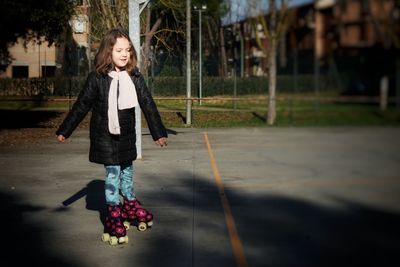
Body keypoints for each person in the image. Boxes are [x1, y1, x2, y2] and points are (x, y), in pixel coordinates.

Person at [56, 28, 168, 245]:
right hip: (105, 137)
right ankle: (113, 212)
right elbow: (81, 106)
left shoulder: (134, 76)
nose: (124, 54)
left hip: (126, 137)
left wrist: (158, 133)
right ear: (108, 52)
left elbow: (148, 104)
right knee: (113, 174)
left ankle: (130, 203)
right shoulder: (97, 78)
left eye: (127, 50)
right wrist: (65, 130)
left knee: (127, 172)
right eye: (119, 50)